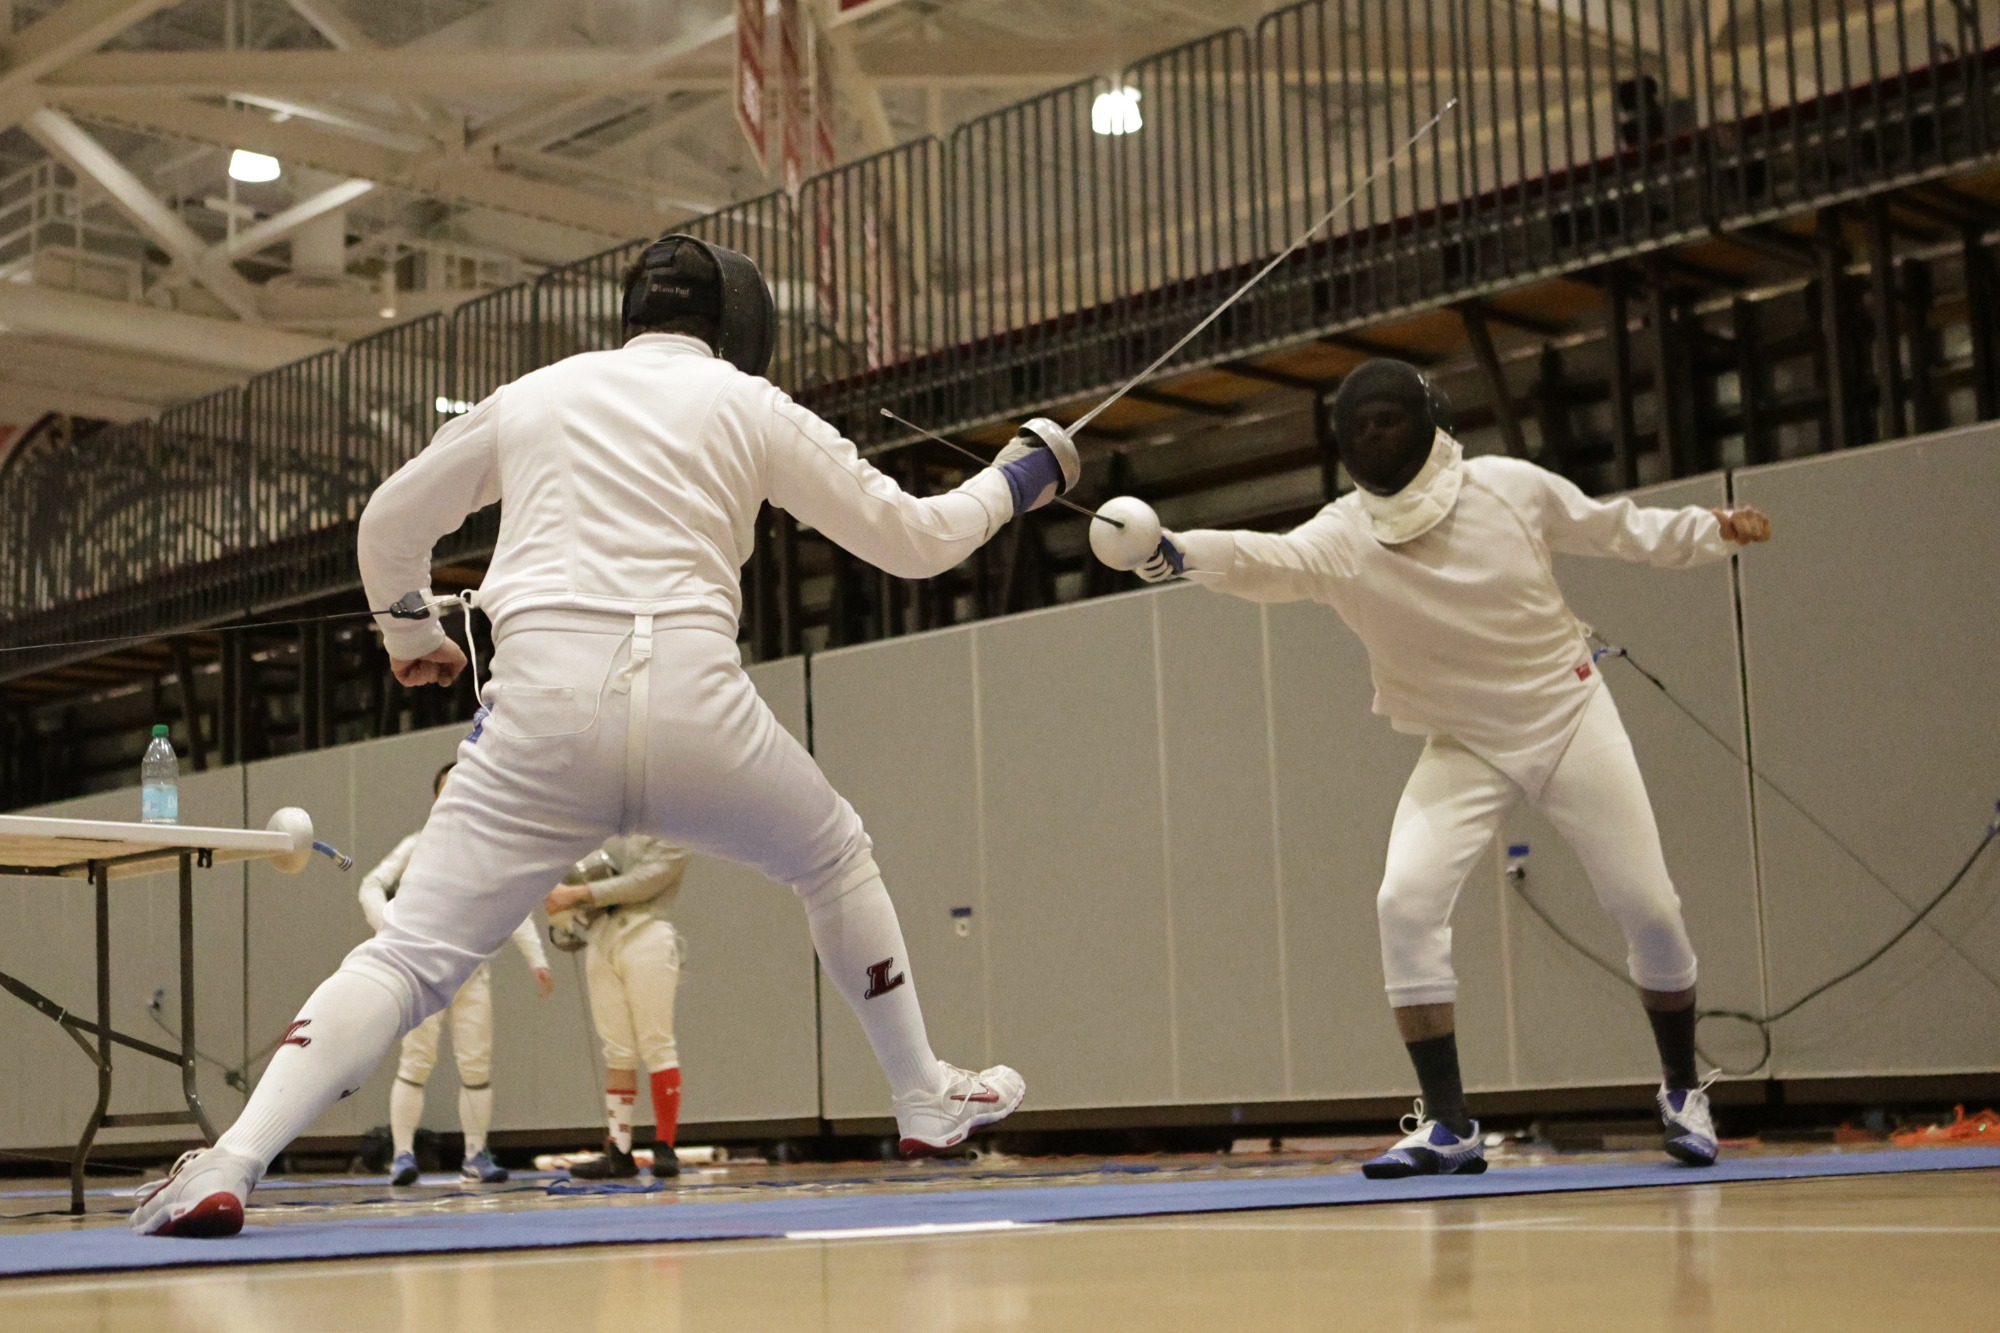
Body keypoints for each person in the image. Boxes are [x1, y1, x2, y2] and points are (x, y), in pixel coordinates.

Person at [133, 233, 1074, 1237]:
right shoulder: (748, 405)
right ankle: (921, 1095)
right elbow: (916, 540)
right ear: (737, 330)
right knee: (834, 855)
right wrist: (1021, 476)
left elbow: (388, 523)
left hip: (539, 717)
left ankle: (231, 1159)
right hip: (698, 711)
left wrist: (411, 632)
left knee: (408, 959)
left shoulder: (537, 393)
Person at [1089, 358, 1773, 1178]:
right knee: (1404, 900)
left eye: (1390, 417)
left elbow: (1611, 526)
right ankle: (1449, 1125)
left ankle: (1681, 1089)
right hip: (1463, 739)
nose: (1376, 433)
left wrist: (1710, 529)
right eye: (1360, 424)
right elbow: (1260, 557)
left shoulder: (1507, 486)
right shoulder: (1345, 534)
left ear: (1428, 419)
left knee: (1650, 905)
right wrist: (1173, 550)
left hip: (1567, 713)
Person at [360, 761, 554, 1186]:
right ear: (436, 798)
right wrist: (388, 923)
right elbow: (371, 884)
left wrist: (537, 959)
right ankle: (403, 1154)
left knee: (476, 1065)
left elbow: (513, 905)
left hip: (471, 971)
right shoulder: (417, 845)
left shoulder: (487, 851)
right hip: (425, 971)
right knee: (416, 1060)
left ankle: (474, 1155)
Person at [543, 835, 688, 1181]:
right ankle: (619, 1151)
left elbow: (644, 882)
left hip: (647, 935)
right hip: (600, 940)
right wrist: (563, 900)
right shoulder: (608, 828)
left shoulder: (676, 835)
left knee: (656, 1042)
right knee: (617, 1051)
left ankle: (664, 1147)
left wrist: (577, 894)